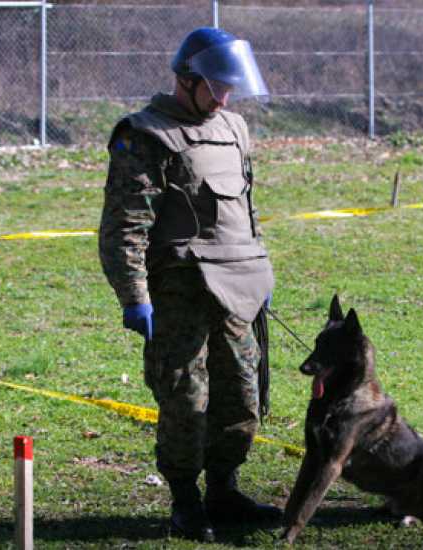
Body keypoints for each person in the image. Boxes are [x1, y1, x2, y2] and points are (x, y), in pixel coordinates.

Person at [98, 27, 279, 542]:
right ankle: (186, 502)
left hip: (237, 287)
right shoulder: (144, 134)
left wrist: (259, 266)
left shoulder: (235, 128)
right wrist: (135, 297)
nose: (224, 97)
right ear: (187, 80)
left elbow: (246, 210)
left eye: (230, 88)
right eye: (216, 87)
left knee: (241, 397)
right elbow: (124, 227)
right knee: (186, 401)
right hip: (180, 292)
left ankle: (225, 492)